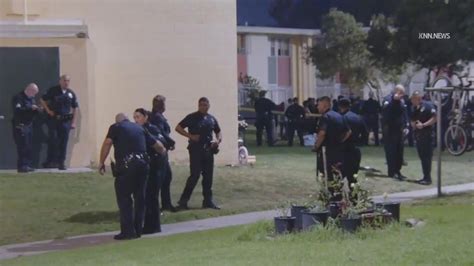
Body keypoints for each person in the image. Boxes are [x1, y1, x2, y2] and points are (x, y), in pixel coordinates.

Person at [98, 113, 166, 240]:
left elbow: (107, 143)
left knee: (124, 198)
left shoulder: (116, 127)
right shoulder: (139, 128)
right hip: (143, 166)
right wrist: (162, 155)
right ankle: (138, 229)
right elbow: (159, 146)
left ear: (118, 121)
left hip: (127, 166)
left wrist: (102, 162)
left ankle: (127, 231)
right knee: (140, 198)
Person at [176, 97, 222, 210]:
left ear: (209, 106)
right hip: (196, 149)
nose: (203, 107)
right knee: (194, 176)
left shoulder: (211, 119)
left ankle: (207, 201)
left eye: (205, 105)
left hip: (208, 150)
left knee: (208, 177)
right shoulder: (192, 117)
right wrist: (190, 136)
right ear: (198, 105)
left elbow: (218, 131)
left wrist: (217, 141)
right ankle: (183, 202)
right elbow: (178, 127)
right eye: (201, 105)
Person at [133, 108, 168, 234]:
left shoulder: (151, 129)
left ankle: (154, 226)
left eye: (138, 117)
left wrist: (148, 136)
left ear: (145, 117)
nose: (136, 120)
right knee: (146, 196)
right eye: (134, 117)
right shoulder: (138, 131)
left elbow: (162, 143)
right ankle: (148, 224)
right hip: (145, 166)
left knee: (152, 195)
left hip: (156, 166)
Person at [40, 75, 78, 170]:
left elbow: (75, 108)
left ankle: (61, 163)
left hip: (65, 121)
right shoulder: (53, 90)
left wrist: (73, 122)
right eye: (64, 80)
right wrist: (48, 111)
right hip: (54, 120)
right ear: (60, 81)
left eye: (68, 81)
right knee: (53, 140)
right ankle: (51, 162)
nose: (66, 82)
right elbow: (42, 100)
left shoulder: (71, 93)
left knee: (63, 142)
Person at [313, 96, 351, 183]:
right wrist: (339, 141)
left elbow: (322, 133)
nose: (317, 107)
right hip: (339, 150)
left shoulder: (325, 117)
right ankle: (338, 192)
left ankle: (330, 193)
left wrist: (316, 146)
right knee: (338, 172)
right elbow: (348, 132)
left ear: (325, 105)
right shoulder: (339, 116)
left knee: (327, 174)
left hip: (327, 151)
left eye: (319, 105)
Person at [149, 95, 177, 212]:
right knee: (161, 178)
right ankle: (159, 205)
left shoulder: (154, 116)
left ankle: (166, 203)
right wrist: (171, 142)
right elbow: (161, 133)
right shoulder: (157, 117)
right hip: (160, 151)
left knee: (166, 177)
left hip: (159, 150)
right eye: (163, 104)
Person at [381, 84, 410, 181]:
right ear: (396, 91)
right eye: (401, 93)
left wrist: (406, 125)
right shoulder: (388, 99)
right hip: (390, 130)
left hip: (399, 129)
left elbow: (404, 112)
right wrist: (394, 100)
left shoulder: (401, 101)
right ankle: (391, 171)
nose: (402, 95)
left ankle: (398, 171)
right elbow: (385, 112)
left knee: (399, 151)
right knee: (391, 151)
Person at [11, 83, 40, 173]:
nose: (34, 95)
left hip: (29, 125)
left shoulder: (31, 99)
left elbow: (32, 111)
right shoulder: (18, 98)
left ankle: (27, 165)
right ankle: (22, 166)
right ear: (29, 90)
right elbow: (18, 110)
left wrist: (37, 110)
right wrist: (30, 108)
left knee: (28, 146)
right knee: (22, 146)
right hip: (20, 125)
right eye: (34, 93)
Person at [410, 91, 436, 185]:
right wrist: (413, 124)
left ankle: (428, 178)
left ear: (419, 98)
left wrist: (424, 125)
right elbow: (412, 120)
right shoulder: (414, 108)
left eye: (413, 99)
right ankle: (425, 176)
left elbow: (435, 118)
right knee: (422, 157)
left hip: (427, 136)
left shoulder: (428, 106)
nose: (412, 101)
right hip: (419, 136)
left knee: (427, 158)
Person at [338, 98, 366, 184]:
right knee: (353, 178)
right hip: (356, 148)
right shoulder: (357, 117)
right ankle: (353, 196)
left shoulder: (342, 118)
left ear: (340, 107)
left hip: (344, 150)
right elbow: (365, 133)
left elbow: (341, 133)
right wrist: (360, 142)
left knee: (340, 177)